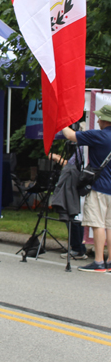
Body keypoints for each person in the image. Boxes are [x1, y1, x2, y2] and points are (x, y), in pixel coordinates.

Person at [62, 105, 111, 272]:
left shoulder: (98, 136)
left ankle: (98, 261)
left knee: (98, 224)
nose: (97, 120)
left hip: (100, 187)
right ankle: (110, 261)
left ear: (106, 120)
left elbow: (69, 135)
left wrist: (61, 121)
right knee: (110, 226)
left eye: (100, 118)